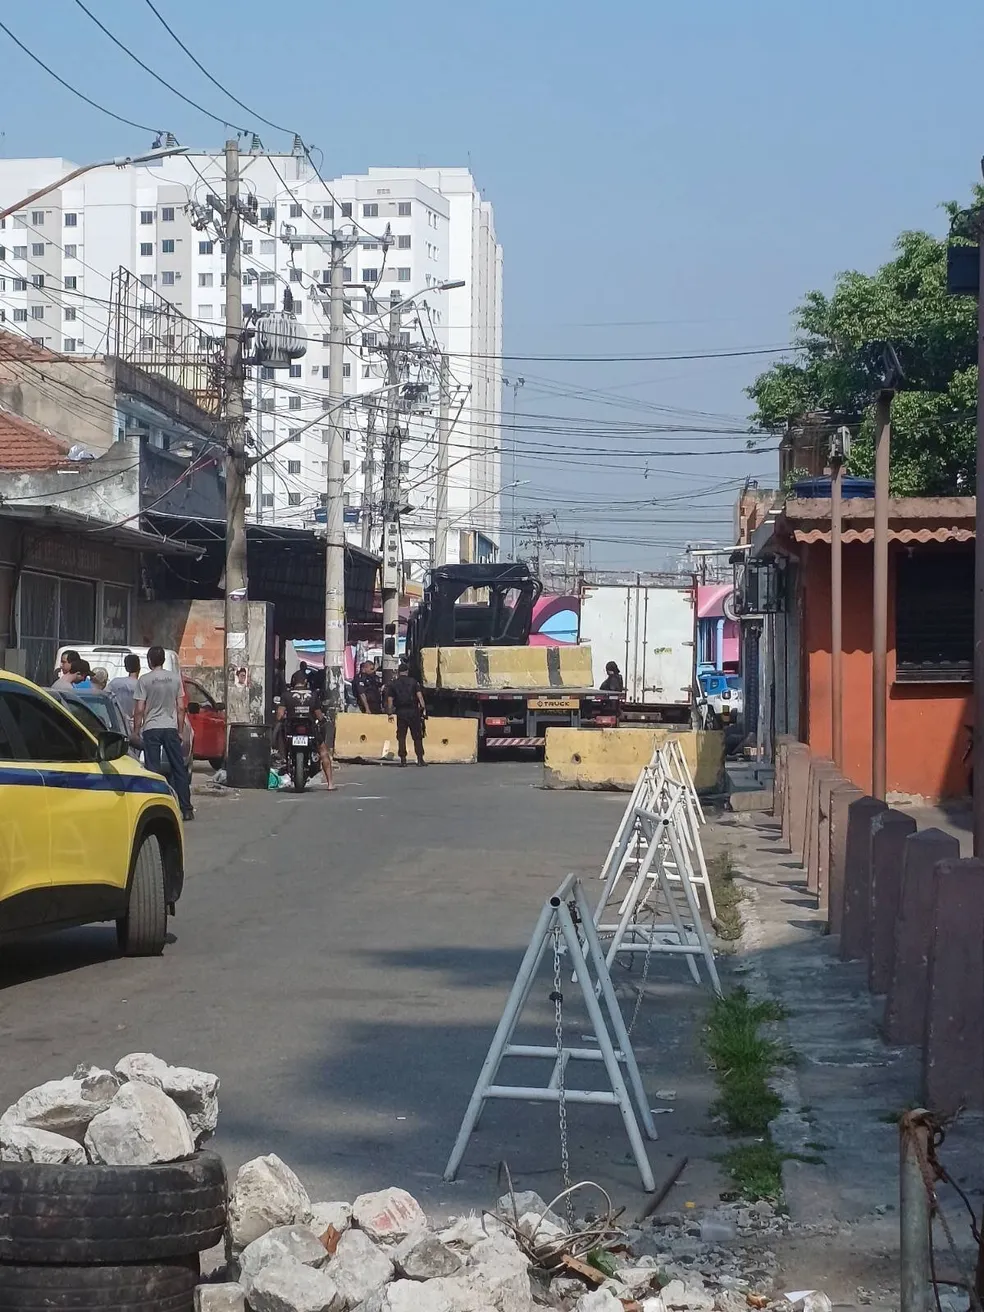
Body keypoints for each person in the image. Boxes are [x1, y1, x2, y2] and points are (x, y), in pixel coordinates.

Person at [132, 645, 194, 821]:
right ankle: (186, 808)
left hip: (152, 727)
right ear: (164, 660)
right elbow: (181, 707)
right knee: (178, 768)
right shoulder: (175, 679)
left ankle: (156, 806)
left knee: (153, 768)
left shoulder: (144, 680)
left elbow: (139, 709)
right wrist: (180, 730)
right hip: (170, 727)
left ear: (150, 661)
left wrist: (136, 731)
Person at [276, 667, 335, 790]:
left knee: (280, 734)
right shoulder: (313, 695)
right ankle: (330, 784)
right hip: (310, 728)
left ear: (293, 682)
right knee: (323, 751)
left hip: (291, 729)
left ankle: (281, 757)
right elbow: (319, 715)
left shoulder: (286, 695)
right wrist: (323, 720)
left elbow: (279, 715)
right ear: (305, 682)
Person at [385, 660, 427, 767]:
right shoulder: (414, 682)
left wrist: (390, 712)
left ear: (399, 672)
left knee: (401, 736)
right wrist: (423, 709)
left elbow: (390, 699)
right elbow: (420, 696)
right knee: (417, 736)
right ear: (407, 671)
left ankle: (403, 760)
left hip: (401, 712)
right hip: (413, 711)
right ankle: (420, 759)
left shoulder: (393, 684)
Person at [107, 653, 141, 730]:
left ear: (126, 668)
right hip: (135, 726)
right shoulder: (142, 685)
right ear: (139, 667)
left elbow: (105, 698)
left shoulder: (115, 683)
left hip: (117, 724)